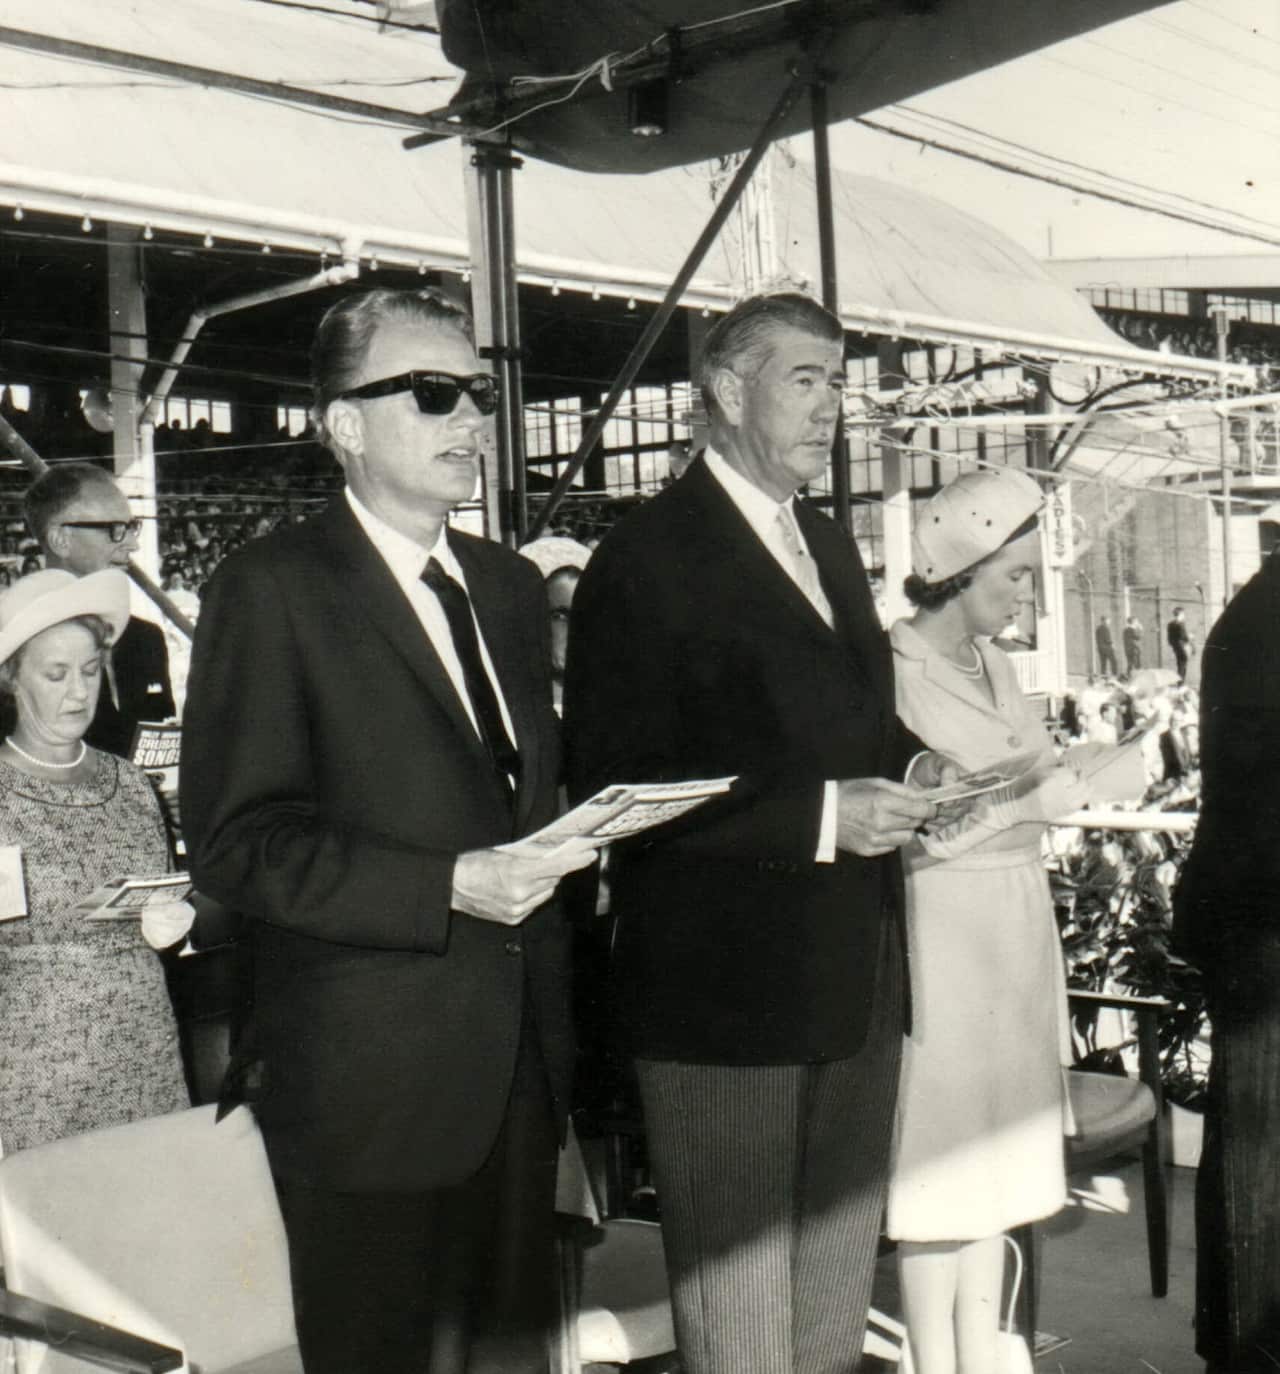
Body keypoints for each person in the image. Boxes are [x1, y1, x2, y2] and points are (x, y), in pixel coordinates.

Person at [179, 287, 598, 1374]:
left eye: (478, 395)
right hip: (365, 1087)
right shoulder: (269, 591)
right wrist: (446, 885)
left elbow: (509, 797)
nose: (470, 419)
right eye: (431, 394)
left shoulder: (506, 589)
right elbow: (239, 840)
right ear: (343, 426)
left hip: (515, 1067)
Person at [564, 291, 944, 1374]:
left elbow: (849, 714)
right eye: (804, 378)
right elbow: (616, 790)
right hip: (721, 1001)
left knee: (828, 1302)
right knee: (739, 1326)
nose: (832, 406)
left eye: (837, 380)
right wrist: (824, 815)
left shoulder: (822, 542)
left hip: (853, 977)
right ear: (725, 392)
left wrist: (916, 760)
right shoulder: (643, 560)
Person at [885, 467, 1088, 1374]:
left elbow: (1033, 774)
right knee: (941, 1166)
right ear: (959, 575)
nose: (1024, 594)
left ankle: (983, 1350)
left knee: (997, 1161)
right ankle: (933, 1359)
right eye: (1012, 577)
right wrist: (1019, 800)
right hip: (942, 929)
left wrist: (1075, 781)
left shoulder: (1000, 664)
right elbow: (906, 825)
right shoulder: (891, 670)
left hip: (1013, 926)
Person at [0, 568, 191, 1152]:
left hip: (146, 1050)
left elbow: (167, 901)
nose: (79, 693)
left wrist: (177, 924)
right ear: (12, 680)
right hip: (33, 1075)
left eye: (89, 671)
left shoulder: (132, 784)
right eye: (55, 675)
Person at [1173, 549, 1280, 1373]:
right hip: (1261, 927)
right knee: (1258, 1154)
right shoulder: (1261, 624)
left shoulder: (1255, 610)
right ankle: (1245, 1352)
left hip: (1252, 916)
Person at [24, 464, 176, 758]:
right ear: (61, 539)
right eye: (115, 530)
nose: (132, 543)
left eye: (132, 527)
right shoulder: (15, 645)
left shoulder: (146, 639)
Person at [1167, 605, 1194, 683]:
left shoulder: (1170, 624)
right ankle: (1181, 683)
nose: (1184, 616)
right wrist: (1190, 637)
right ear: (1181, 614)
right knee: (1183, 665)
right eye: (1183, 614)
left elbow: (1169, 638)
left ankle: (1179, 682)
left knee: (1179, 665)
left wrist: (1174, 645)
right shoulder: (1180, 624)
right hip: (1183, 647)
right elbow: (1184, 637)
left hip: (1176, 647)